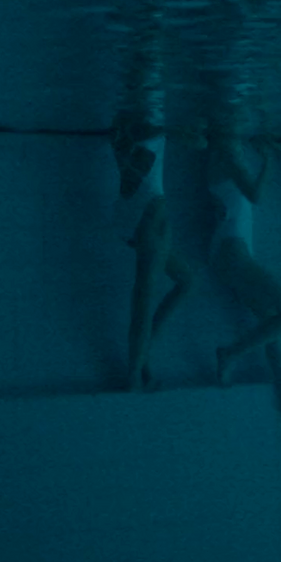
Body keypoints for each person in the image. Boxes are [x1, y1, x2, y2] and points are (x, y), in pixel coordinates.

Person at [205, 126, 281, 423]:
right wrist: (268, 161)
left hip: (230, 249)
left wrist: (269, 149)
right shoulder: (228, 156)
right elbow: (255, 194)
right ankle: (230, 352)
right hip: (232, 252)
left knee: (270, 323)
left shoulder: (229, 152)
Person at [111, 109, 197, 392]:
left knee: (186, 281)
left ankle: (142, 358)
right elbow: (139, 134)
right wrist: (171, 130)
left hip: (134, 208)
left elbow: (130, 140)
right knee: (144, 299)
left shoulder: (127, 114)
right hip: (149, 213)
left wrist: (172, 130)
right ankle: (135, 373)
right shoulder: (143, 114)